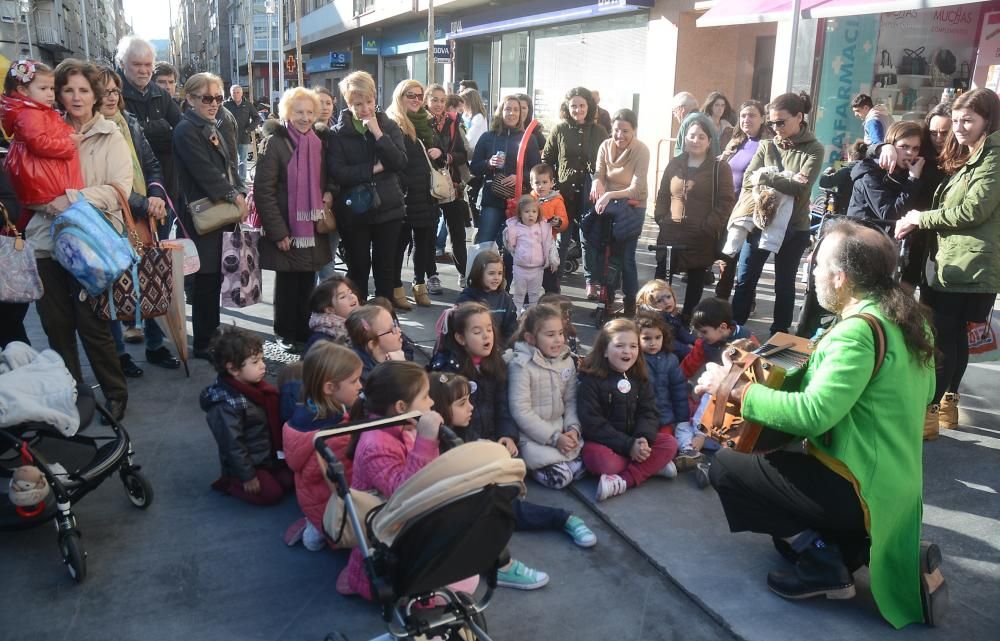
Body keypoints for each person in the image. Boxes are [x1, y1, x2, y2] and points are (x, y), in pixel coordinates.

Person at [702, 219, 944, 629]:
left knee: (726, 466)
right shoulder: (907, 318)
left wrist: (737, 390)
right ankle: (845, 547)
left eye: (815, 266)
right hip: (896, 487)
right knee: (783, 540)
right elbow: (922, 393)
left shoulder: (857, 332)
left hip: (858, 486)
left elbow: (814, 414)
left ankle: (823, 562)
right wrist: (749, 366)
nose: (810, 274)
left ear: (840, 277)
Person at [430, 303, 596, 557]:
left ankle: (553, 510)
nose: (487, 336)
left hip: (493, 443)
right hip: (465, 451)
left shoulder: (494, 363)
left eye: (489, 329)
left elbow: (504, 408)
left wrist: (506, 435)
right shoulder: (447, 371)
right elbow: (451, 425)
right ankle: (562, 519)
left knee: (505, 487)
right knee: (497, 499)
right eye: (477, 332)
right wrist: (487, 450)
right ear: (460, 337)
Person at [26, 59, 130, 421]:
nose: (75, 97)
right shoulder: (42, 131)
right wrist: (43, 202)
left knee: (92, 324)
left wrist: (70, 199)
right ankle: (72, 393)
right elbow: (26, 183)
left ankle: (116, 393)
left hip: (90, 245)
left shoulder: (110, 133)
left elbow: (119, 189)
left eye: (83, 90)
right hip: (45, 241)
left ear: (95, 94)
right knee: (56, 326)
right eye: (67, 89)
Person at [894, 88, 1000, 437]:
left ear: (988, 120)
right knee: (951, 337)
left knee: (943, 338)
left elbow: (973, 210)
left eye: (968, 120)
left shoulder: (994, 156)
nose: (958, 128)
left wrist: (919, 219)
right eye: (955, 121)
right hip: (957, 261)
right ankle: (944, 408)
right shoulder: (974, 153)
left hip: (968, 265)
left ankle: (929, 411)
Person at [95, 64, 178, 374]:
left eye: (115, 90)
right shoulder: (89, 131)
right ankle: (119, 354)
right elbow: (107, 182)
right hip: (110, 219)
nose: (111, 97)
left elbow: (151, 163)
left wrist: (155, 195)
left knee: (150, 277)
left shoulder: (129, 122)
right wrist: (145, 204)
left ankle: (156, 345)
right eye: (103, 92)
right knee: (114, 287)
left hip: (144, 216)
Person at [731, 92, 824, 335]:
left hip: (795, 228)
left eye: (781, 122)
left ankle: (779, 335)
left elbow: (800, 188)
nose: (775, 128)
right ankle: (733, 329)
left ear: (799, 117)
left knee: (784, 285)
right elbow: (750, 179)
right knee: (745, 279)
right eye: (771, 123)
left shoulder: (813, 148)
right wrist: (783, 179)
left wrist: (767, 176)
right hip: (760, 221)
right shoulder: (766, 145)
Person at [173, 72, 248, 359]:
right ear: (190, 99)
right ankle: (204, 341)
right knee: (205, 280)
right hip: (203, 213)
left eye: (218, 97)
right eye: (207, 98)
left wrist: (239, 189)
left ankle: (212, 334)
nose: (214, 103)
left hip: (219, 212)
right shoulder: (186, 129)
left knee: (215, 277)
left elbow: (229, 165)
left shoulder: (212, 123)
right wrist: (233, 195)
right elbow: (204, 172)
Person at [254, 87, 331, 353]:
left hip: (312, 227)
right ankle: (284, 332)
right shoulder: (275, 143)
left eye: (310, 112)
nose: (305, 117)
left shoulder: (318, 141)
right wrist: (278, 232)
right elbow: (263, 191)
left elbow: (325, 179)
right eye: (299, 112)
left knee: (307, 280)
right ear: (287, 112)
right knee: (287, 283)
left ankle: (302, 329)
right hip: (287, 226)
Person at [326, 71, 408, 302]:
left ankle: (385, 320)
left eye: (369, 102)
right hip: (354, 211)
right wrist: (373, 169)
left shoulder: (389, 126)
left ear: (375, 97)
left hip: (389, 208)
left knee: (385, 269)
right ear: (348, 103)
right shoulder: (338, 134)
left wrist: (378, 133)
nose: (364, 109)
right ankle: (357, 321)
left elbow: (400, 162)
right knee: (358, 268)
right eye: (357, 104)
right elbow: (339, 172)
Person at [578, 318, 679, 501]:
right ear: (605, 351)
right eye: (619, 345)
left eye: (633, 346)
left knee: (669, 443)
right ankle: (650, 466)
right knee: (599, 459)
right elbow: (592, 423)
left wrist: (643, 439)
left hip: (634, 439)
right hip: (606, 444)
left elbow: (649, 411)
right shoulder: (591, 380)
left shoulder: (639, 376)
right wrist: (628, 445)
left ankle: (625, 479)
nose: (627, 351)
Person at [283, 342, 363, 551]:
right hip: (328, 506)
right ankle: (316, 533)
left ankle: (311, 522)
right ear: (329, 388)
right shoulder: (335, 436)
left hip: (309, 496)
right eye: (354, 381)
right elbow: (350, 482)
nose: (360, 385)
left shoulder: (305, 414)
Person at [201, 326, 293, 506]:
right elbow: (233, 446)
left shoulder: (256, 388)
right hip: (249, 465)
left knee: (291, 482)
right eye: (255, 361)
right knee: (272, 494)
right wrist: (247, 477)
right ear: (234, 369)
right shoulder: (225, 405)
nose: (263, 365)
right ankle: (232, 484)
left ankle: (269, 473)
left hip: (268, 457)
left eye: (262, 359)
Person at [654, 114, 735, 320]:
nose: (695, 140)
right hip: (671, 230)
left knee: (696, 278)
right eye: (691, 136)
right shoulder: (675, 163)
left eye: (701, 136)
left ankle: (687, 317)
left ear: (710, 141)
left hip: (700, 234)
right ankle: (657, 316)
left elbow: (726, 201)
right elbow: (663, 194)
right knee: (662, 275)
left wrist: (709, 225)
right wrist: (661, 217)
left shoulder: (719, 168)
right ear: (684, 138)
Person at [506, 304, 585, 490]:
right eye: (550, 335)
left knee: (584, 464)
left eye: (560, 333)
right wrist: (554, 438)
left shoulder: (566, 360)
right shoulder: (521, 366)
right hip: (531, 436)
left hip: (559, 428)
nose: (558, 340)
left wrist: (573, 429)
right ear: (531, 338)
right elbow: (521, 411)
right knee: (563, 477)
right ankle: (535, 468)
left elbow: (571, 400)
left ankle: (559, 463)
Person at [542, 87, 607, 288]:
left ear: (589, 106)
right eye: (573, 106)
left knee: (588, 239)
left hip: (590, 193)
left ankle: (590, 281)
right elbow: (547, 159)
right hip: (564, 193)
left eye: (582, 105)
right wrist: (549, 186)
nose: (578, 110)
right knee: (563, 237)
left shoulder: (599, 131)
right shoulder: (559, 129)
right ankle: (555, 280)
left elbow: (606, 162)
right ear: (567, 107)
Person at [116, 37, 181, 236]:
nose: (144, 70)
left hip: (164, 185)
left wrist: (148, 129)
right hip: (129, 191)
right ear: (122, 64)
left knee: (160, 249)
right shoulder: (113, 93)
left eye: (148, 65)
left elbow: (180, 130)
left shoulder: (160, 95)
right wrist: (161, 128)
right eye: (136, 64)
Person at [0, 60, 83, 212]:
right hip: (43, 182)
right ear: (23, 90)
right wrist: (69, 144)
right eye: (43, 88)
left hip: (42, 179)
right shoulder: (30, 114)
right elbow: (39, 143)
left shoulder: (35, 111)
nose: (50, 94)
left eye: (52, 88)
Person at [590, 108, 651, 314]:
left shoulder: (641, 150)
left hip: (633, 204)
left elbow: (637, 188)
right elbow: (599, 171)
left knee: (626, 256)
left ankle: (630, 302)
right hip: (610, 205)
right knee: (605, 252)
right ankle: (607, 296)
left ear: (634, 130)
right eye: (616, 130)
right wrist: (596, 183)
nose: (620, 136)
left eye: (625, 131)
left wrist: (608, 195)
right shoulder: (605, 146)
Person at [384, 79, 439, 309]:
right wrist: (405, 185)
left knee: (424, 243)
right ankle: (396, 288)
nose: (416, 100)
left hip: (427, 193)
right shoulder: (393, 123)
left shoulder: (426, 122)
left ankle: (419, 285)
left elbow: (435, 154)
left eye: (419, 95)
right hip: (406, 194)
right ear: (400, 96)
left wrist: (441, 153)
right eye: (411, 95)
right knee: (400, 243)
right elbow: (394, 162)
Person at [717, 100, 771, 298]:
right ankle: (721, 301)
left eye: (752, 115)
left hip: (751, 212)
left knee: (745, 263)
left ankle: (744, 302)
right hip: (729, 209)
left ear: (763, 118)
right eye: (743, 116)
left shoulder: (767, 145)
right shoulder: (736, 141)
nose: (746, 120)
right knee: (726, 258)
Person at [470, 95, 540, 244]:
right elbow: (474, 168)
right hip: (492, 199)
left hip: (519, 201)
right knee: (484, 242)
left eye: (516, 110)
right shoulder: (487, 137)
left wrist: (519, 177)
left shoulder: (529, 139)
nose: (512, 113)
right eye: (508, 109)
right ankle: (478, 268)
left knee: (514, 246)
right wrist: (488, 163)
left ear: (521, 114)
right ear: (500, 111)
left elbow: (537, 172)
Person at [425, 83, 471, 291]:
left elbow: (463, 154)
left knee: (458, 232)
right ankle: (431, 276)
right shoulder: (419, 122)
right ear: (426, 100)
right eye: (434, 99)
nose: (438, 104)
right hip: (427, 184)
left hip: (452, 184)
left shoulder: (453, 122)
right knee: (427, 233)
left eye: (442, 100)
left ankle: (464, 274)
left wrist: (446, 157)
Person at [636, 312, 694, 471]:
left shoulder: (671, 359)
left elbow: (679, 392)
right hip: (641, 419)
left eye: (657, 337)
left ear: (664, 337)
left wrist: (682, 420)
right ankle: (659, 465)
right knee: (645, 444)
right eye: (646, 338)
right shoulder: (635, 359)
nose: (653, 343)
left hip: (665, 416)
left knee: (669, 442)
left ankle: (668, 459)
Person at [847, 121, 925, 223]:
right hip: (862, 235)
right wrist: (913, 179)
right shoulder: (871, 173)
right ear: (892, 146)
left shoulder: (908, 170)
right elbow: (890, 214)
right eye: (904, 147)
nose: (910, 153)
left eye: (915, 148)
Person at [505, 195, 559, 311]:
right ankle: (516, 315)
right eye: (527, 211)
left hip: (537, 269)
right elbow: (509, 244)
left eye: (534, 211)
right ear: (520, 214)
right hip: (520, 268)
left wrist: (553, 260)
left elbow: (549, 244)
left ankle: (532, 315)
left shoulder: (542, 228)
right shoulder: (515, 227)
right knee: (519, 294)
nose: (531, 214)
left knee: (534, 295)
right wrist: (508, 234)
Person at [680, 297, 753, 380]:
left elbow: (758, 362)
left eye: (704, 332)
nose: (699, 335)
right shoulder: (703, 345)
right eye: (698, 331)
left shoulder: (746, 337)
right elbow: (688, 366)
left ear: (722, 327)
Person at [312, 86, 341, 281]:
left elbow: (338, 169)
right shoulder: (304, 132)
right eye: (319, 102)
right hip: (309, 203)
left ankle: (326, 304)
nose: (324, 107)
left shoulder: (338, 131)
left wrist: (331, 191)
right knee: (311, 259)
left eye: (328, 103)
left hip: (332, 204)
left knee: (328, 257)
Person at [457, 249, 518, 343]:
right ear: (479, 273)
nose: (496, 278)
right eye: (491, 273)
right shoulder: (467, 299)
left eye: (500, 273)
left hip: (500, 349)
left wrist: (504, 347)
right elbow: (461, 329)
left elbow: (511, 327)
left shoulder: (505, 299)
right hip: (474, 348)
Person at [530, 163, 569, 294]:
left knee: (550, 276)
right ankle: (527, 303)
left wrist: (558, 222)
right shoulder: (529, 199)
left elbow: (564, 222)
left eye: (544, 182)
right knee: (530, 277)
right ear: (532, 184)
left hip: (547, 244)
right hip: (531, 244)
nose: (541, 186)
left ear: (552, 183)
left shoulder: (556, 201)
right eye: (537, 182)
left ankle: (553, 299)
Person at [345, 304, 407, 381]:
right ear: (373, 344)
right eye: (391, 330)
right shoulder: (365, 374)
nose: (398, 330)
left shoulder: (392, 354)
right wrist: (401, 368)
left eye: (395, 324)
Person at [636, 279, 695, 359]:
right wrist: (689, 350)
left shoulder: (670, 316)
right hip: (662, 357)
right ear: (650, 305)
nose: (666, 302)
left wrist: (696, 342)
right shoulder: (653, 322)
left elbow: (682, 333)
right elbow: (668, 342)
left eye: (668, 297)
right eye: (659, 301)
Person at [304, 273, 359, 353]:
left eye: (350, 292)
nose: (352, 297)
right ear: (330, 309)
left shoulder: (359, 321)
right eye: (342, 297)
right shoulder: (324, 339)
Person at [223, 84, 263, 182]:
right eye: (234, 93)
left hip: (243, 136)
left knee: (243, 160)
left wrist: (249, 129)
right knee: (231, 159)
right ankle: (232, 179)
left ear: (241, 93)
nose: (236, 95)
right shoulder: (225, 105)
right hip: (229, 136)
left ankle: (242, 179)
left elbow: (257, 118)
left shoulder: (248, 105)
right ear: (230, 94)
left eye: (238, 92)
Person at [672, 92, 718, 158]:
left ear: (681, 109)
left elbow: (683, 155)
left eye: (674, 111)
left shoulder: (689, 121)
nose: (674, 115)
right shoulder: (706, 119)